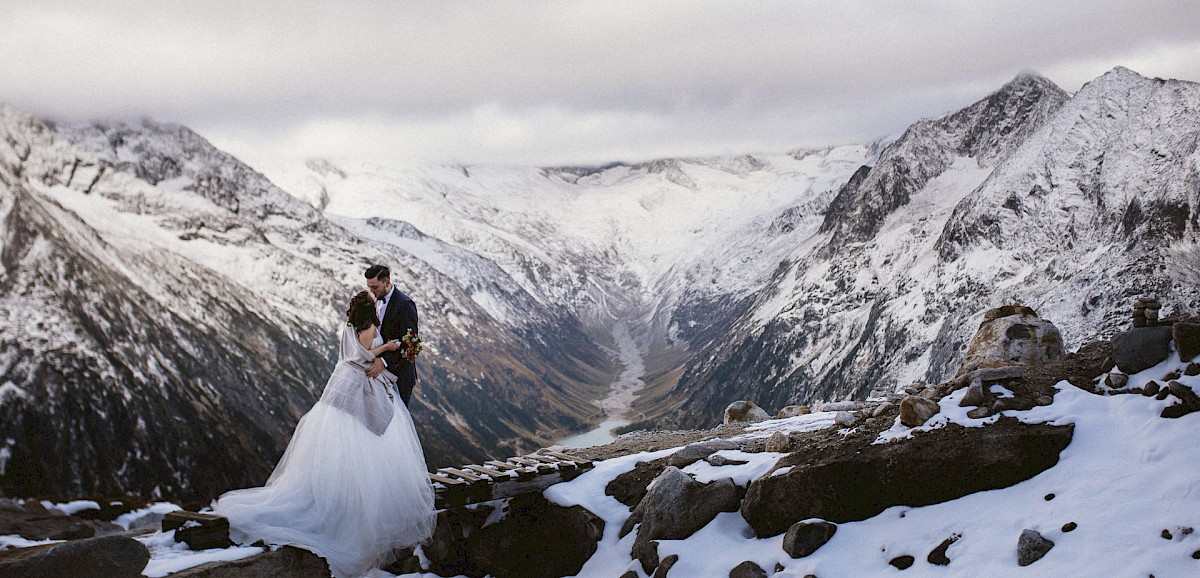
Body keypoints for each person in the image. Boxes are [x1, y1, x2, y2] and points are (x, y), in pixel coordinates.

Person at [212, 291, 436, 578]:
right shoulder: (367, 329)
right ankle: (354, 511)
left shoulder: (351, 327)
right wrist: (389, 347)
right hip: (358, 383)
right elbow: (364, 356)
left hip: (341, 383)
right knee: (366, 439)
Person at [365, 264, 420, 406]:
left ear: (387, 282)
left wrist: (384, 361)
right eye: (369, 287)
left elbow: (411, 345)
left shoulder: (405, 305)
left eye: (375, 287)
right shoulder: (372, 300)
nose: (371, 291)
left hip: (399, 375)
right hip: (377, 375)